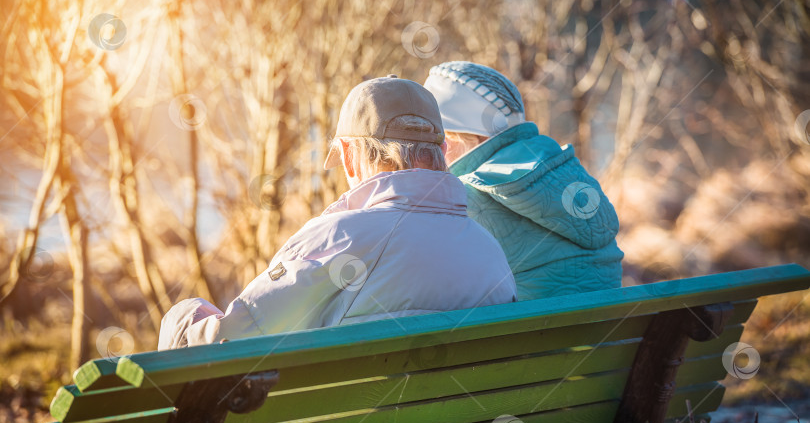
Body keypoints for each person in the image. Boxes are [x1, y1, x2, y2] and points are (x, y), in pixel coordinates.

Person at [158, 75, 517, 349]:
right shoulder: (490, 252)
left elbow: (229, 344)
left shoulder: (338, 238)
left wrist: (184, 316)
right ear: (439, 152)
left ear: (349, 155)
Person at [423, 61, 623, 301]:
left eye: (434, 138)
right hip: (604, 334)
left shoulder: (462, 199)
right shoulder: (564, 169)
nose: (433, 149)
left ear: (458, 136)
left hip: (530, 338)